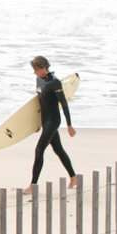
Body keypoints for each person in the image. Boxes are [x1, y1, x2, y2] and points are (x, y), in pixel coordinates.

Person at [27, 55, 76, 188]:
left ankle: (33, 185)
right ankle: (74, 177)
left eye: (36, 69)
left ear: (43, 68)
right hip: (44, 121)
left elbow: (64, 104)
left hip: (53, 121)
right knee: (58, 150)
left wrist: (69, 125)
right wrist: (36, 124)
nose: (34, 72)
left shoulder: (55, 82)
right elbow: (39, 104)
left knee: (39, 150)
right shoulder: (38, 80)